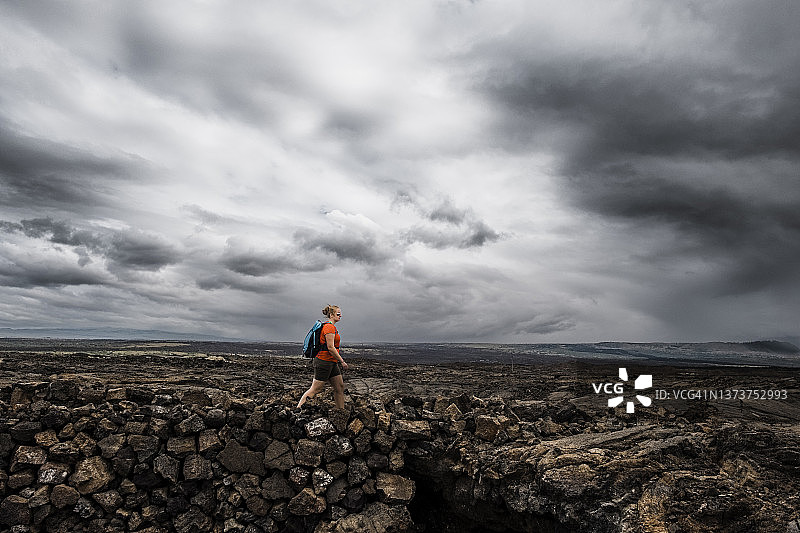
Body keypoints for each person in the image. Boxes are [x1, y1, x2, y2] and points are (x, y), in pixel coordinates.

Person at [297, 305, 348, 409]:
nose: (340, 315)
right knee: (316, 389)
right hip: (324, 362)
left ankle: (341, 411)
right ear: (331, 315)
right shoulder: (329, 327)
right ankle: (298, 409)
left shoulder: (331, 327)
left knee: (339, 387)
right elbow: (330, 347)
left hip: (332, 362)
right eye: (338, 314)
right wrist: (342, 361)